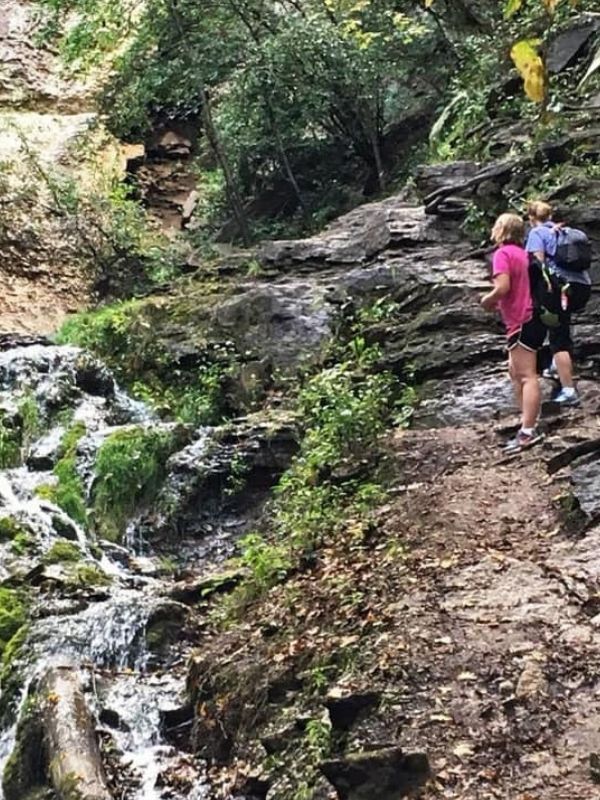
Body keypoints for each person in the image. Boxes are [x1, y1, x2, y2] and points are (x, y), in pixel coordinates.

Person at [481, 213, 545, 452]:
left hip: (522, 319)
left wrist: (486, 301)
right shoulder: (523, 254)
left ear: (501, 230)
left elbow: (503, 287)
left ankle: (528, 432)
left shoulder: (503, 254)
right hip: (531, 318)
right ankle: (526, 423)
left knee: (527, 375)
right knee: (515, 372)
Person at [525, 200, 591, 406]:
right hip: (581, 286)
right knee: (562, 325)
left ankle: (569, 390)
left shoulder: (537, 233)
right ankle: (555, 366)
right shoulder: (566, 231)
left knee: (557, 337)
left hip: (557, 288)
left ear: (531, 218)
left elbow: (539, 265)